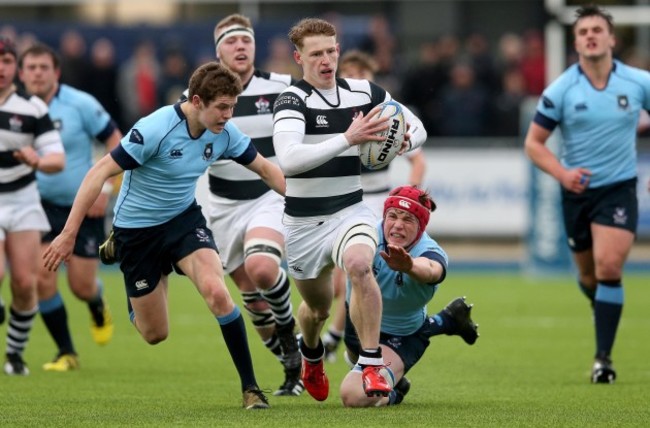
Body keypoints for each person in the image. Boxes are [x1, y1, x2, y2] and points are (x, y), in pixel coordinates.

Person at [43, 62, 285, 409]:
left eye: (232, 107)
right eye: (222, 107)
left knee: (217, 292)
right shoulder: (154, 128)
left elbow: (265, 169)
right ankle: (135, 290)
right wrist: (69, 233)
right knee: (155, 334)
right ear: (198, 101)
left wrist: (301, 205)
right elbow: (98, 172)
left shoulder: (225, 133)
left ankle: (251, 388)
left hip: (183, 222)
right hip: (136, 232)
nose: (228, 116)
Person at [272, 18, 426, 402]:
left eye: (331, 50)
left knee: (359, 264)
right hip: (304, 223)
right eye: (316, 54)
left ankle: (371, 363)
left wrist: (405, 140)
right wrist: (348, 138)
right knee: (316, 309)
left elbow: (417, 125)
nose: (326, 60)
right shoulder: (292, 100)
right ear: (299, 58)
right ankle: (311, 352)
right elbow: (289, 160)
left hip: (350, 210)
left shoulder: (362, 91)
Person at [524, 4, 650, 384]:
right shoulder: (561, 89)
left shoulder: (639, 82)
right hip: (576, 192)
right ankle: (602, 305)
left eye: (597, 29)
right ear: (576, 41)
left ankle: (603, 359)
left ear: (612, 38)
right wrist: (562, 173)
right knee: (590, 276)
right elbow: (534, 143)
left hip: (618, 187)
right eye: (583, 32)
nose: (590, 36)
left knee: (610, 267)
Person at [199, 13, 303, 396]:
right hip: (223, 207)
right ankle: (294, 368)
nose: (240, 46)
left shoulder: (283, 88)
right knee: (254, 303)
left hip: (268, 196)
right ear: (217, 51)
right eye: (231, 41)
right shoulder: (199, 96)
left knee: (262, 267)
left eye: (246, 40)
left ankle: (294, 343)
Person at [18, 43, 122, 371]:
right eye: (30, 67)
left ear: (56, 72)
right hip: (37, 205)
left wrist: (105, 187)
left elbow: (116, 142)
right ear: (21, 74)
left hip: (82, 209)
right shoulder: (15, 109)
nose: (37, 73)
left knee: (81, 285)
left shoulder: (80, 103)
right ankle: (66, 352)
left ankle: (95, 300)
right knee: (42, 278)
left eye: (43, 67)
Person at [322, 49, 427, 362]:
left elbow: (418, 160)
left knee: (362, 273)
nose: (355, 80)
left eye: (361, 75)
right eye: (350, 74)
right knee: (344, 280)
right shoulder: (338, 115)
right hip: (346, 200)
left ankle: (342, 340)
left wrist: (408, 197)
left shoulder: (384, 115)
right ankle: (343, 339)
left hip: (379, 200)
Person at [339, 186, 479, 407]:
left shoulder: (429, 251)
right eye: (392, 216)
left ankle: (396, 390)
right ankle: (447, 320)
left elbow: (432, 269)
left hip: (399, 336)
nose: (397, 225)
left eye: (408, 219)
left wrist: (410, 266)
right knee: (351, 358)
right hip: (358, 324)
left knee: (354, 396)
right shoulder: (365, 235)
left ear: (421, 227)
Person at [0, 36, 65, 375]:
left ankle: (14, 354)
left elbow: (58, 159)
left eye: (7, 60)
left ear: (16, 68)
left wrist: (37, 160)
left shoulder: (33, 108)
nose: (1, 67)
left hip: (23, 200)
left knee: (25, 284)